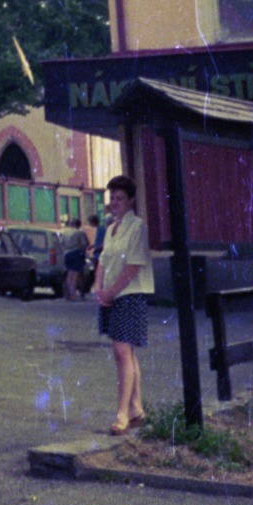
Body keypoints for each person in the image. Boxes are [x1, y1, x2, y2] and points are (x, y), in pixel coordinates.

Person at [93, 174, 154, 435]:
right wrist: (99, 288)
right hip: (111, 295)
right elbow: (104, 261)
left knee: (122, 353)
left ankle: (122, 414)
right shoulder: (110, 229)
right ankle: (137, 409)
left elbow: (133, 266)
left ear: (130, 200)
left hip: (130, 295)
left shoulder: (137, 227)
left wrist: (111, 292)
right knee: (126, 354)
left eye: (120, 198)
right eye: (112, 198)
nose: (115, 202)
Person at [63, 220, 88, 302]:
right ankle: (74, 295)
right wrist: (83, 254)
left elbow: (62, 243)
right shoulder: (80, 232)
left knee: (69, 274)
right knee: (75, 275)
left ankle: (70, 293)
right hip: (76, 252)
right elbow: (84, 244)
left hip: (67, 253)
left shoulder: (65, 232)